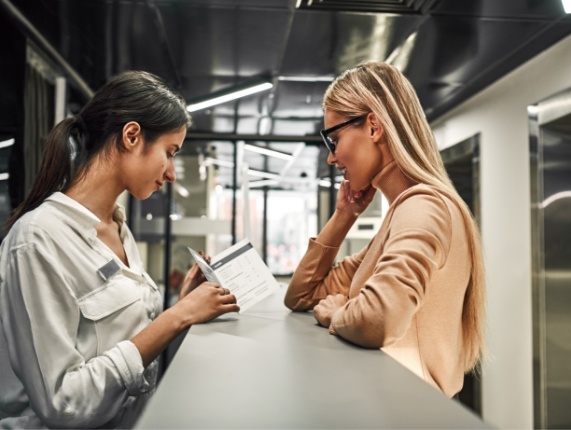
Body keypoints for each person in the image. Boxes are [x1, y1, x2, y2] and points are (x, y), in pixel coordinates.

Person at [0, 70, 239, 429]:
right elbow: (62, 402)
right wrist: (177, 317)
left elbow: (124, 344)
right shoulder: (37, 241)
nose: (172, 172)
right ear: (131, 136)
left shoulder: (118, 228)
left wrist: (180, 310)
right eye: (169, 153)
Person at [284, 61, 486, 398]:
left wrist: (338, 313)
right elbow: (302, 295)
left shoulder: (424, 207)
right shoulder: (401, 215)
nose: (332, 159)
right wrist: (344, 216)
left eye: (335, 140)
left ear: (374, 127)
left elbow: (379, 319)